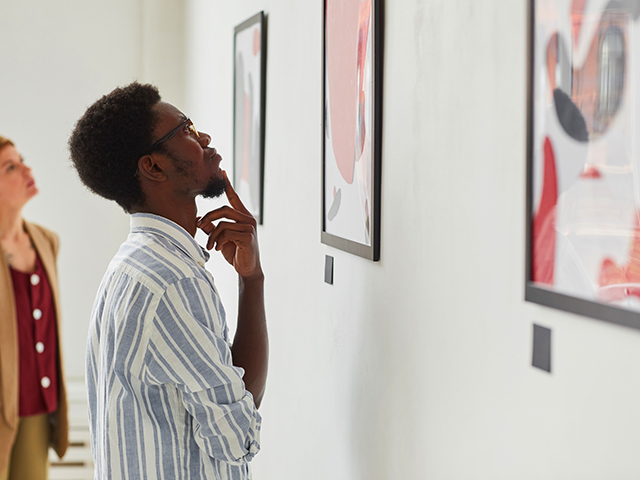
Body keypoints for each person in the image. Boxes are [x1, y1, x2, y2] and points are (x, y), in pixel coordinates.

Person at [68, 82, 268, 479]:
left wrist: (251, 278)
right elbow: (237, 437)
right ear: (153, 166)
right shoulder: (172, 282)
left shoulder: (132, 263)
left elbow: (229, 391)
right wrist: (254, 280)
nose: (205, 137)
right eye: (187, 130)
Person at [0, 136, 69, 480]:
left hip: (36, 407)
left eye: (21, 159)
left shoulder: (46, 241)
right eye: (9, 167)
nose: (26, 169)